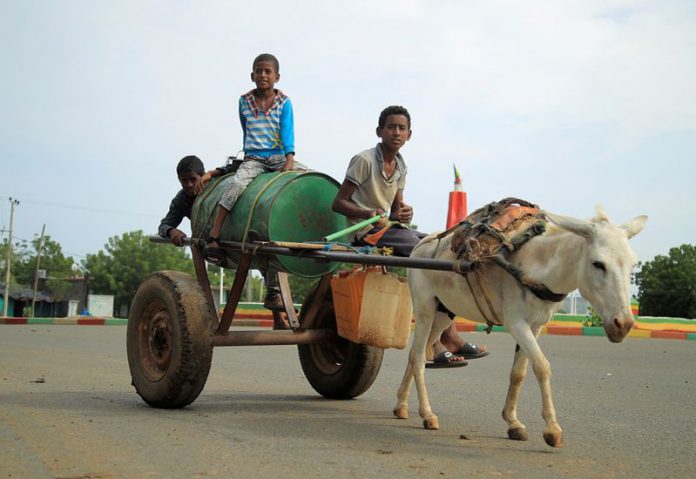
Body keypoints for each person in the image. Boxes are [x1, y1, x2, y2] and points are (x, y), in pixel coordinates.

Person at [332, 105, 488, 368]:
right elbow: (339, 203)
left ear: (409, 135)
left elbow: (395, 211)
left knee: (443, 246)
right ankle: (436, 343)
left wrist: (403, 213)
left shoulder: (401, 166)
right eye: (391, 127)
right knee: (425, 253)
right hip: (366, 233)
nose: (396, 132)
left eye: (401, 128)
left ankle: (448, 334)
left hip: (389, 230)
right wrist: (366, 211)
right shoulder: (364, 161)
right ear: (379, 131)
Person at [159, 155, 285, 312]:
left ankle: (276, 305)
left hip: (241, 234)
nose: (189, 185)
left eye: (193, 179)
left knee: (267, 247)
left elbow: (236, 169)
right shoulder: (182, 199)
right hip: (216, 247)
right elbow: (164, 225)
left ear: (202, 175)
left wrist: (214, 173)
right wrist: (172, 231)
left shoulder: (216, 184)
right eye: (184, 181)